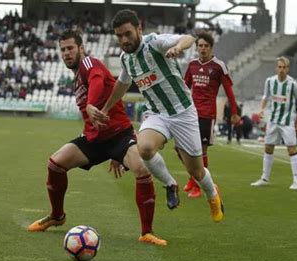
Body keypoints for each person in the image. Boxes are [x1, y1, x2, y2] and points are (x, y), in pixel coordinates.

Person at [28, 29, 167, 246]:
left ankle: (146, 232)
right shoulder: (76, 77)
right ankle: (57, 216)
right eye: (62, 49)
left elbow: (98, 80)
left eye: (70, 48)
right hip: (94, 139)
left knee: (141, 168)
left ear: (81, 48)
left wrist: (92, 104)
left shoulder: (89, 64)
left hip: (119, 137)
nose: (66, 53)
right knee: (55, 163)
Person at [91, 9, 224, 223]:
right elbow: (122, 84)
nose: (124, 40)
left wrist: (178, 47)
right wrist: (105, 109)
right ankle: (170, 184)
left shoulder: (155, 43)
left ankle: (212, 195)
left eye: (127, 34)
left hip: (183, 113)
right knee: (144, 148)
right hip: (157, 114)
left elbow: (189, 38)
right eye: (119, 36)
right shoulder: (126, 59)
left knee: (197, 172)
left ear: (139, 29)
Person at [182, 32, 240, 198]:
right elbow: (185, 87)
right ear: (196, 47)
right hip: (191, 113)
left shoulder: (219, 66)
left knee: (201, 151)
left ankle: (197, 186)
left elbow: (229, 90)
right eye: (200, 45)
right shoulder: (192, 65)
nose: (203, 49)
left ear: (211, 47)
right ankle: (194, 179)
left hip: (207, 114)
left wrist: (234, 113)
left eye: (206, 46)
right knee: (182, 149)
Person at [250, 56, 297, 190]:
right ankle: (264, 178)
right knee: (268, 147)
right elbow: (265, 97)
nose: (281, 70)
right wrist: (261, 109)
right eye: (279, 67)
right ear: (276, 68)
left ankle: (296, 181)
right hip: (273, 120)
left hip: (287, 122)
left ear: (288, 69)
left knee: (292, 149)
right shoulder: (269, 81)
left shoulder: (293, 84)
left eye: (284, 67)